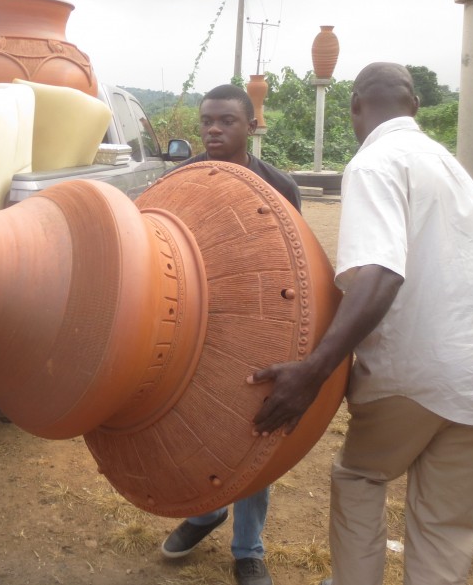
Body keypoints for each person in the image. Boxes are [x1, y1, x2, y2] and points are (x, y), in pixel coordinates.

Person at [248, 62, 473, 585]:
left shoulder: (375, 162)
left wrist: (313, 371)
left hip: (426, 367)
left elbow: (379, 273)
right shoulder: (442, 162)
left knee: (360, 475)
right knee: (444, 519)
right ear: (416, 106)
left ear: (355, 107)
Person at [160, 83, 299, 585]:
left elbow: (294, 263)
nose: (213, 130)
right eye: (206, 122)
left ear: (251, 126)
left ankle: (248, 548)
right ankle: (205, 513)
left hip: (257, 325)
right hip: (194, 322)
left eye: (226, 121)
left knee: (252, 430)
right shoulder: (181, 180)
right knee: (194, 424)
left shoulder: (279, 187)